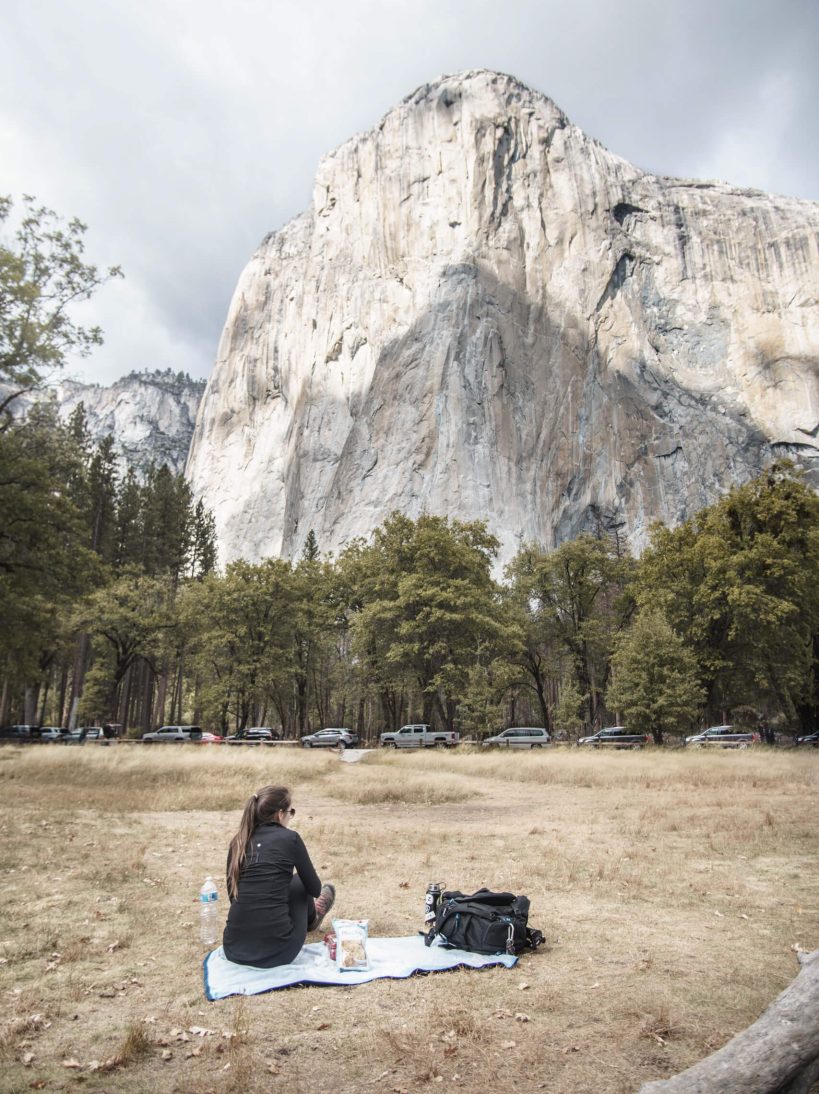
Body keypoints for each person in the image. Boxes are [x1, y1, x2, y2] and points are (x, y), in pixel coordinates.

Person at [222, 784, 335, 967]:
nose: (290, 817)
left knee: (282, 885)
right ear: (280, 813)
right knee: (298, 881)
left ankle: (309, 919)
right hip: (280, 951)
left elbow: (232, 896)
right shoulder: (290, 838)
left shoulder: (238, 842)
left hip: (233, 949)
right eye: (291, 812)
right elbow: (314, 888)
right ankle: (312, 920)